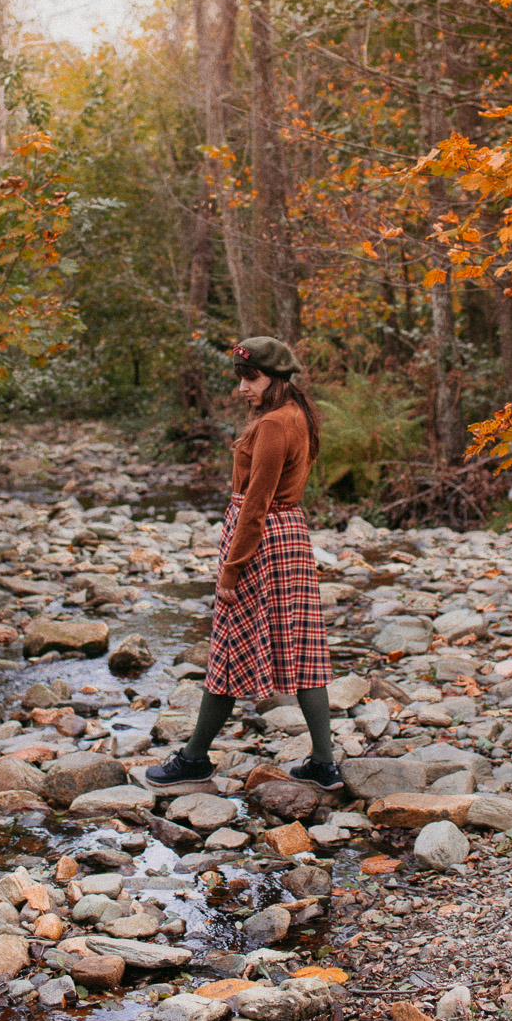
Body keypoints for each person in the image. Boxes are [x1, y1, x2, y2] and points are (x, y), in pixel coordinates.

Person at [146, 336, 341, 792]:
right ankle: (324, 764)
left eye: (250, 378)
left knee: (228, 650)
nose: (243, 389)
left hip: (261, 540)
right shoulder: (299, 415)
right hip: (288, 535)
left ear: (276, 378)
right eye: (241, 379)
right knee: (306, 648)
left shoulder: (274, 424)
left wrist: (232, 568)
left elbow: (256, 502)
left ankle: (194, 758)